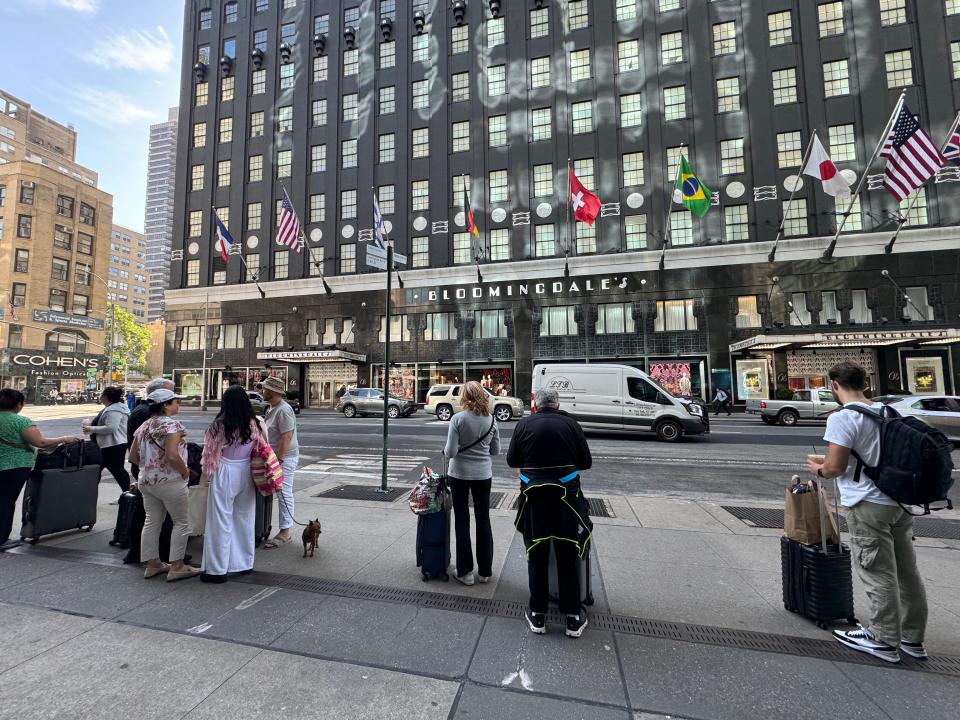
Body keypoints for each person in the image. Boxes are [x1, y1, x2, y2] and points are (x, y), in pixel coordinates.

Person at [806, 361, 928, 664]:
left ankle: (882, 638)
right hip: (898, 503)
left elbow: (835, 467)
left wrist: (819, 470)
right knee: (906, 572)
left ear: (835, 385)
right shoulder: (888, 412)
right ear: (865, 383)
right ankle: (911, 638)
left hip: (866, 504)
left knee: (877, 571)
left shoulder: (843, 417)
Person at [508, 388, 593, 638]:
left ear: (536, 404)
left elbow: (513, 460)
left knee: (537, 552)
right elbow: (586, 462)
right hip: (566, 498)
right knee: (568, 552)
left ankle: (538, 614)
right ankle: (573, 617)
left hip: (534, 499)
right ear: (557, 404)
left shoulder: (524, 424)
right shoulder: (571, 424)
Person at [129, 388, 199, 581]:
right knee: (181, 521)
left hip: (146, 481)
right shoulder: (172, 426)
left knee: (152, 521)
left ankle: (153, 563)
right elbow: (172, 455)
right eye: (175, 401)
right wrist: (184, 471)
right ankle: (177, 565)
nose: (179, 404)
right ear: (166, 405)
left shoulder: (144, 426)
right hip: (170, 481)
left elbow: (133, 456)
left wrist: (149, 467)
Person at [0, 388, 81, 551]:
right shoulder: (20, 421)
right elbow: (41, 442)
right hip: (15, 466)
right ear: (18, 405)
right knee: (6, 502)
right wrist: (65, 439)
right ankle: (2, 538)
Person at [200, 385, 262, 583]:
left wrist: (206, 477)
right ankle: (243, 563)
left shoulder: (218, 425)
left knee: (219, 521)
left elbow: (209, 455)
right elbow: (263, 448)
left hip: (224, 470)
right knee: (244, 518)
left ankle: (216, 569)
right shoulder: (256, 423)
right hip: (247, 471)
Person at [443, 381, 501, 586]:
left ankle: (465, 572)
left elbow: (450, 452)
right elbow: (496, 451)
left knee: (462, 520)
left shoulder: (457, 419)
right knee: (483, 520)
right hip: (483, 475)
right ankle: (485, 572)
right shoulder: (492, 420)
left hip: (459, 474)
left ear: (464, 397)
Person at [261, 376, 299, 549]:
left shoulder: (283, 410)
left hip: (284, 457)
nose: (263, 391)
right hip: (274, 457)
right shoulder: (272, 408)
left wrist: (279, 461)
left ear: (274, 392)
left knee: (284, 493)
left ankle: (285, 532)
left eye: (265, 388)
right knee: (279, 492)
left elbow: (287, 437)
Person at [82, 386, 131, 492]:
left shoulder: (113, 410)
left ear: (105, 397)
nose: (100, 396)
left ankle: (128, 493)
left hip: (113, 445)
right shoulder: (114, 407)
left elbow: (111, 428)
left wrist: (91, 428)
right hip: (111, 444)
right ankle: (90, 492)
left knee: (117, 470)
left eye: (101, 394)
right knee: (100, 469)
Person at [129, 378, 174, 481]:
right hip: (152, 472)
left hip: (149, 470)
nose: (174, 397)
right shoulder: (148, 414)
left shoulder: (145, 411)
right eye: (169, 393)